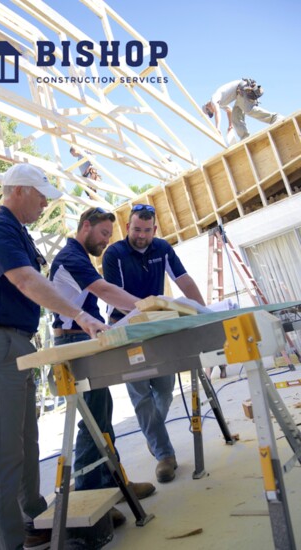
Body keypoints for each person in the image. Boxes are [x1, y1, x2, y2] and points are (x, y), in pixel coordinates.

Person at [0, 164, 108, 550]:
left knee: (26, 443)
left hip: (16, 342)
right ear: (19, 191)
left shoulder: (17, 232)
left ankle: (33, 520)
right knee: (3, 453)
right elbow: (27, 281)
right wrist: (81, 315)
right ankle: (10, 542)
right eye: (41, 194)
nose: (46, 202)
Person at [50, 207, 156, 528]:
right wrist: (145, 306)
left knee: (103, 414)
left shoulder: (78, 256)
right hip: (72, 344)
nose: (107, 241)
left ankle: (115, 483)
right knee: (93, 422)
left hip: (83, 341)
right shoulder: (72, 256)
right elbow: (105, 291)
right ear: (85, 226)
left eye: (110, 236)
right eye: (103, 234)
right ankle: (90, 491)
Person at [102, 204, 206, 483]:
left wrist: (205, 310)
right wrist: (141, 317)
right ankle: (164, 455)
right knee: (141, 395)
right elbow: (115, 295)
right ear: (127, 227)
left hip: (158, 326)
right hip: (126, 328)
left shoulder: (162, 248)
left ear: (155, 230)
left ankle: (153, 434)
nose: (141, 235)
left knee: (165, 388)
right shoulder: (115, 254)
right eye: (136, 229)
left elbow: (183, 280)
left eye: (147, 231)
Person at [202, 78, 283, 140]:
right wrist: (230, 126)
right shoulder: (220, 103)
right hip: (239, 95)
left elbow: (217, 112)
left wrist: (217, 128)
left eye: (210, 112)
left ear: (207, 107)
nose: (211, 112)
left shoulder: (214, 99)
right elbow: (228, 110)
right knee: (235, 117)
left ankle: (275, 118)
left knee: (249, 110)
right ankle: (245, 138)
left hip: (242, 89)